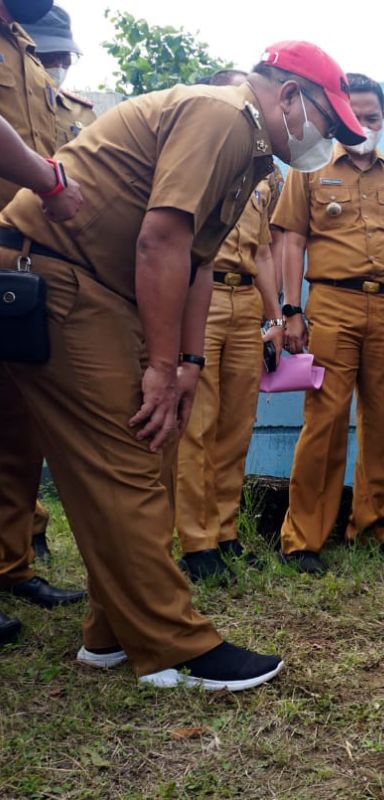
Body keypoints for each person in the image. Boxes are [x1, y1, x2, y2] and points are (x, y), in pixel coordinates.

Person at [0, 40, 368, 687]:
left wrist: (187, 363)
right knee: (128, 453)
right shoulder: (222, 116)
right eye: (327, 121)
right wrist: (158, 366)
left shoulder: (253, 151)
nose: (327, 139)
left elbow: (197, 260)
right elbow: (160, 239)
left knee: (152, 448)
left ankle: (110, 634)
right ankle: (174, 645)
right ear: (289, 95)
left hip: (95, 288)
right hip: (54, 274)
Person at [273, 72, 384, 575]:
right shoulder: (309, 168)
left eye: (373, 117)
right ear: (340, 116)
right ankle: (303, 539)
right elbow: (292, 241)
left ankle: (372, 527)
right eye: (356, 116)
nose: (365, 124)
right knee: (323, 422)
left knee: (382, 421)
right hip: (332, 307)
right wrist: (292, 309)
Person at [173, 69, 283, 582]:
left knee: (237, 424)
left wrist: (275, 315)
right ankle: (195, 543)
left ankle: (225, 531)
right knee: (197, 425)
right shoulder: (199, 154)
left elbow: (263, 250)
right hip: (201, 296)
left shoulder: (263, 174)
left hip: (245, 302)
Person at [0, 0, 84, 647]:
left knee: (18, 424)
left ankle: (11, 564)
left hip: (19, 258)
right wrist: (49, 184)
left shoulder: (24, 45)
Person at [22, 3, 93, 564]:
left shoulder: (66, 103)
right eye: (52, 54)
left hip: (43, 268)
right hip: (12, 247)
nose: (58, 63)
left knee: (22, 423)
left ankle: (15, 561)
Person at [24, 4, 95, 151]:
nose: (58, 65)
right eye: (48, 55)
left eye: (64, 56)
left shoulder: (83, 114)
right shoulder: (9, 103)